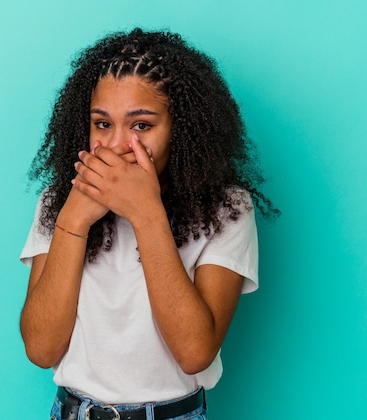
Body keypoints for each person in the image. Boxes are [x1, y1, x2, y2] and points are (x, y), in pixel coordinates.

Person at [19, 28, 279, 420]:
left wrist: (146, 213)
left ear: (181, 130)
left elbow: (194, 353)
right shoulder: (58, 204)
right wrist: (73, 220)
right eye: (102, 124)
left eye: (141, 125)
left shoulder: (227, 209)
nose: (119, 145)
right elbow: (41, 349)